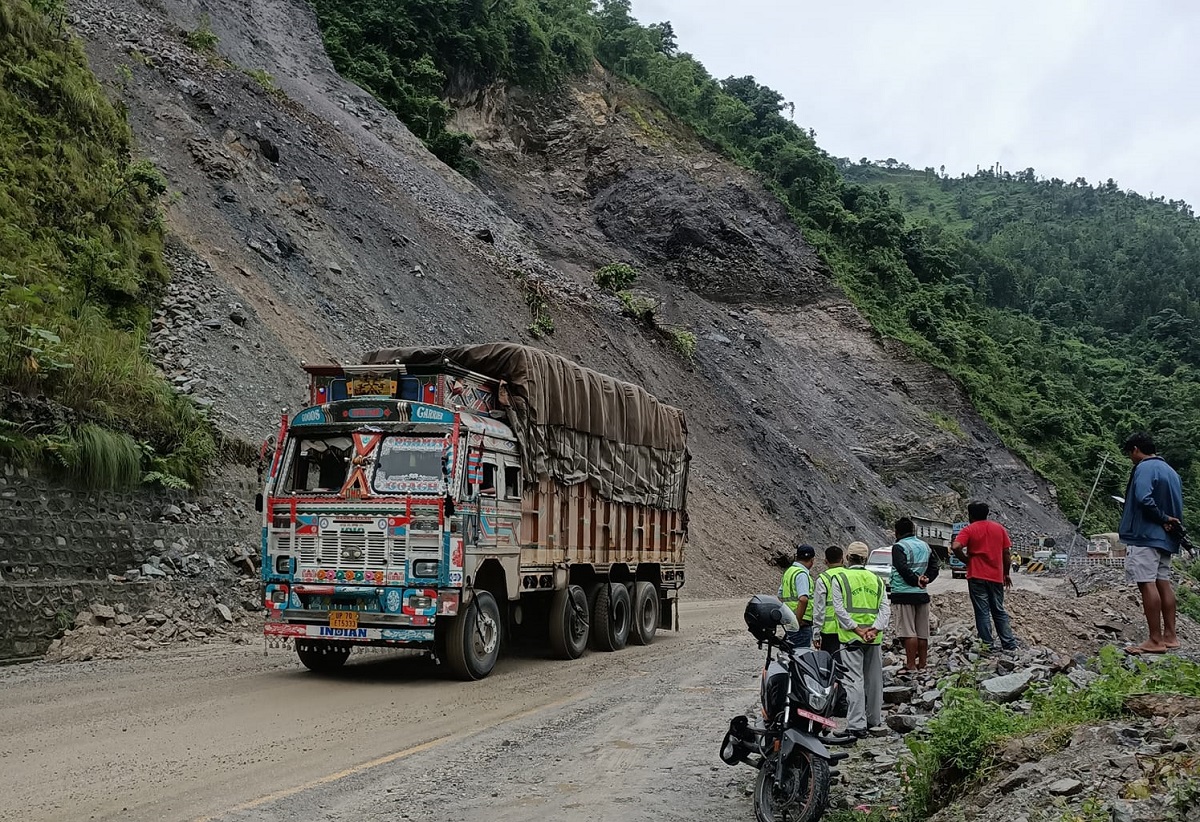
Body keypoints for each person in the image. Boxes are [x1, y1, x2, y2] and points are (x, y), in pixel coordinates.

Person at [1119, 432, 1184, 655]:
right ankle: (1170, 636)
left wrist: (1162, 518)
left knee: (1146, 582)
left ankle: (1155, 640)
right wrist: (1167, 521)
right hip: (1166, 538)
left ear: (1136, 449)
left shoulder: (1144, 468)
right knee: (1162, 581)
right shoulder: (1172, 472)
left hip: (1145, 534)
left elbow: (1143, 498)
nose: (1131, 458)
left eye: (1130, 453)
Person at [830, 544, 890, 739]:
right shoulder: (877, 580)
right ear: (865, 559)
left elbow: (839, 609)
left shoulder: (839, 578)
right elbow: (885, 610)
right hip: (874, 638)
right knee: (874, 680)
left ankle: (856, 725)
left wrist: (857, 629)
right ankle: (874, 720)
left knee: (854, 680)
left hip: (851, 638)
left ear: (848, 557)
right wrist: (874, 629)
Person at [953, 501, 1018, 653]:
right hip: (996, 576)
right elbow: (1006, 553)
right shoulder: (999, 529)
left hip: (976, 575)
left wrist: (966, 560)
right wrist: (1006, 573)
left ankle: (987, 645)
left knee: (982, 611)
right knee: (998, 609)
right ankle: (1009, 643)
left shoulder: (969, 529)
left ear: (970, 515)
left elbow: (956, 547)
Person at [889, 517, 939, 672]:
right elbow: (935, 566)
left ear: (897, 532)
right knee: (922, 632)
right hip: (921, 594)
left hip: (903, 594)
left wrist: (915, 580)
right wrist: (926, 579)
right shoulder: (925, 546)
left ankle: (910, 664)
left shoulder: (899, 547)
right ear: (913, 530)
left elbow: (902, 568)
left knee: (908, 632)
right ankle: (923, 663)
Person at [812, 544, 850, 655]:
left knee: (830, 664)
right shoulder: (850, 576)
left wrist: (816, 633)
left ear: (826, 561)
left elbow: (819, 608)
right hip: (849, 628)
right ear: (843, 559)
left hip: (829, 631)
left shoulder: (823, 579)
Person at [779, 544, 817, 647]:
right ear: (812, 560)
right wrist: (798, 621)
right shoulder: (802, 574)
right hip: (801, 624)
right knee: (801, 656)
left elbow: (780, 595)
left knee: (791, 654)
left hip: (790, 620)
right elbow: (803, 599)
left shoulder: (789, 572)